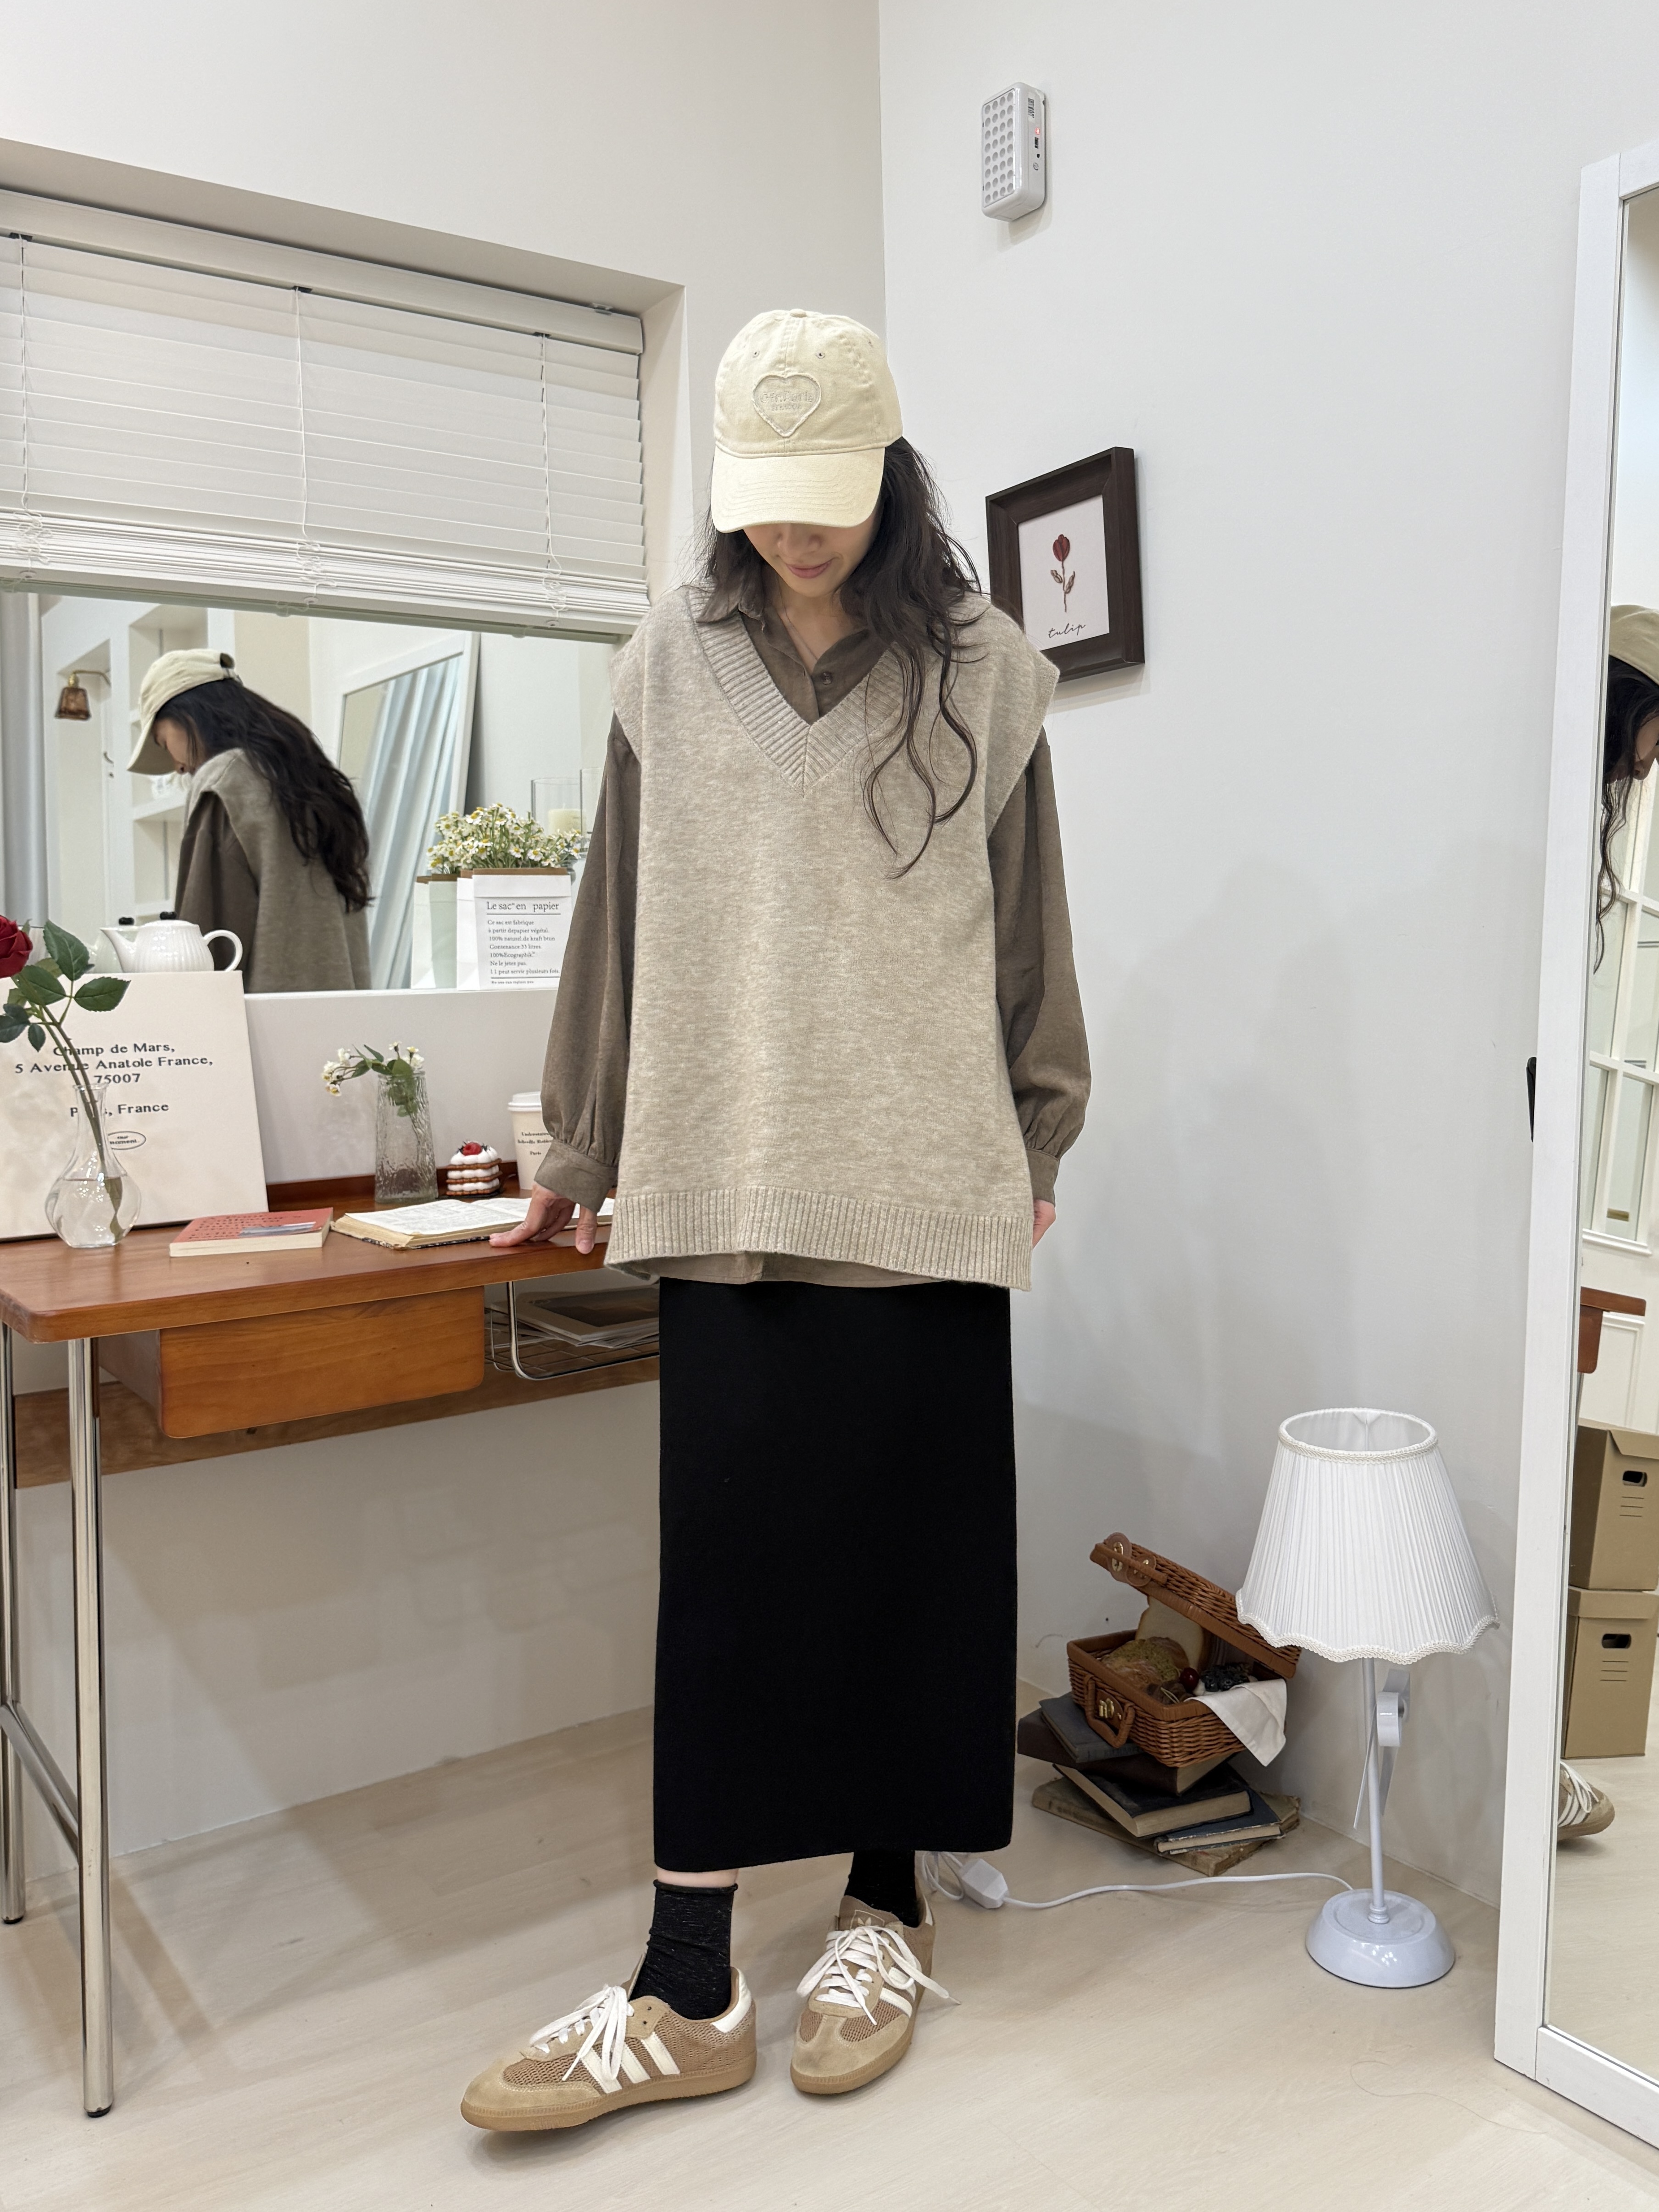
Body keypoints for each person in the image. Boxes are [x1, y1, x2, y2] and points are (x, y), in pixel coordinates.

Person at [462, 308, 1090, 2129]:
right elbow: (614, 917)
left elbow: (1031, 925)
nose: (794, 533)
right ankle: (687, 1976)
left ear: (891, 474)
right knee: (729, 1578)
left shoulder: (988, 669)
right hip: (728, 1171)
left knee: (913, 1560)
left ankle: (884, 1913)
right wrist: (578, 1143)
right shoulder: (667, 661)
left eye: (826, 496)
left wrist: (1038, 1131)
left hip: (925, 1180)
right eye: (765, 500)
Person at [128, 649, 371, 992]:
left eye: (163, 742)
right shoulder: (318, 783)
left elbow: (207, 944)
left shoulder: (224, 782)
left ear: (188, 717)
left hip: (264, 1021)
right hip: (346, 1015)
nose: (178, 766)